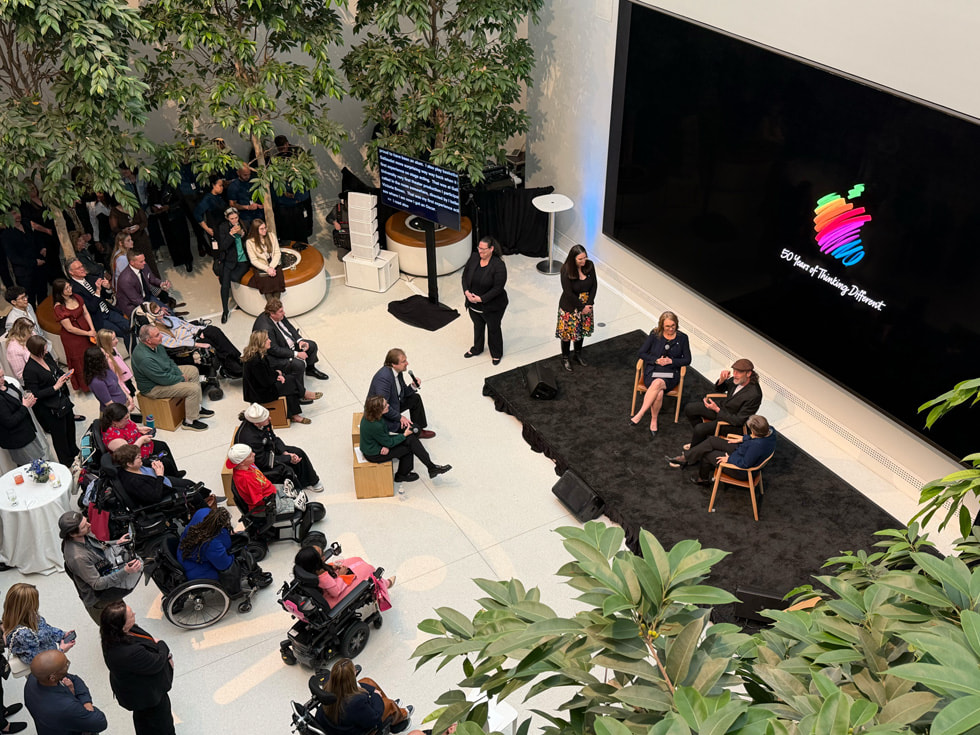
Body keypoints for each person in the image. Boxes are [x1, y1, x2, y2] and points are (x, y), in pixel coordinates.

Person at [99, 601, 175, 735]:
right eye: (130, 615)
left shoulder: (112, 635)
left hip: (135, 690)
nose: (134, 614)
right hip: (146, 695)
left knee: (144, 719)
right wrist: (162, 645)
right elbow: (156, 662)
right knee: (161, 722)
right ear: (122, 626)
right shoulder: (128, 652)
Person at [59, 510, 142, 623]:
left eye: (86, 521)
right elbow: (97, 584)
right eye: (84, 526)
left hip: (109, 589)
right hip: (100, 601)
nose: (89, 525)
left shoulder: (80, 537)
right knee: (115, 631)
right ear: (72, 534)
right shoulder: (77, 557)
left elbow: (97, 546)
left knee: (125, 621)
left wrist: (117, 542)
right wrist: (126, 571)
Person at [132, 325, 214, 432]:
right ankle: (189, 422)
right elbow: (161, 379)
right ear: (148, 340)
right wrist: (180, 379)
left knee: (193, 371)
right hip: (153, 387)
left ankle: (196, 409)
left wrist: (179, 374)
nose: (161, 336)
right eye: (157, 335)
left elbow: (169, 361)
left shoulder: (157, 345)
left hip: (164, 373)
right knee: (193, 389)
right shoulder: (144, 358)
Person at [177, 507, 272, 596]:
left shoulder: (203, 512)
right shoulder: (211, 544)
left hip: (185, 552)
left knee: (239, 546)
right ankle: (254, 576)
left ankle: (256, 573)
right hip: (198, 570)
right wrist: (233, 555)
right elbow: (225, 565)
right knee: (241, 558)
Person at [135, 301, 243, 377]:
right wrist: (197, 344)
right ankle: (233, 368)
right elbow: (174, 343)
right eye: (158, 312)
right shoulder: (157, 332)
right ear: (150, 316)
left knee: (214, 331)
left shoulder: (168, 319)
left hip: (194, 334)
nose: (162, 312)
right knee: (209, 343)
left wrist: (198, 330)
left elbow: (185, 324)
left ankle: (237, 358)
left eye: (160, 309)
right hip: (188, 344)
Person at [234, 402, 324, 492]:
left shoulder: (264, 422)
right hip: (258, 463)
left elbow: (273, 438)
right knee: (286, 469)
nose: (270, 418)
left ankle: (310, 481)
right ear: (256, 423)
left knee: (298, 452)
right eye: (266, 418)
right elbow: (263, 461)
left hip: (268, 450)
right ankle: (297, 491)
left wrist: (284, 452)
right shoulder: (249, 438)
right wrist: (287, 458)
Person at [359, 396, 450, 483]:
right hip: (375, 453)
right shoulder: (375, 425)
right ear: (379, 410)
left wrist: (386, 443)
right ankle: (402, 475)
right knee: (409, 447)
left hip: (379, 444)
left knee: (410, 439)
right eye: (385, 405)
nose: (388, 405)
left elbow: (381, 436)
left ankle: (431, 467)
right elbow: (389, 442)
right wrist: (404, 434)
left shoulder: (371, 416)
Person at [629, 311, 691, 437]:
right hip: (653, 369)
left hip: (671, 372)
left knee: (658, 383)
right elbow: (641, 353)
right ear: (662, 325)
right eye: (667, 326)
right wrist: (656, 360)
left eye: (673, 325)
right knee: (659, 392)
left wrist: (671, 361)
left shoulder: (683, 338)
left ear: (676, 324)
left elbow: (687, 360)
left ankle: (640, 414)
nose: (670, 329)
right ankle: (653, 420)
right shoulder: (655, 334)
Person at [669, 414, 778, 486]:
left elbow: (745, 463)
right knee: (712, 440)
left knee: (707, 455)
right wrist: (744, 438)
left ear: (754, 431)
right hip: (742, 450)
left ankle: (703, 479)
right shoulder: (770, 431)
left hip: (741, 470)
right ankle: (686, 458)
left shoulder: (757, 446)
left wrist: (729, 459)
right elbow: (756, 437)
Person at [314, 658, 412, 735]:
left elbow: (356, 686)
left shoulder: (327, 685)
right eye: (354, 672)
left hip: (336, 721)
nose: (356, 671)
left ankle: (390, 706)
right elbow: (373, 719)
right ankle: (400, 716)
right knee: (389, 704)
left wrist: (373, 690)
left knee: (367, 681)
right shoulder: (355, 702)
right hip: (354, 730)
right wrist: (376, 695)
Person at [681, 358, 764, 447]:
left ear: (748, 374)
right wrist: (721, 380)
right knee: (690, 408)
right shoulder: (737, 379)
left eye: (739, 372)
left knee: (699, 429)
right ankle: (701, 440)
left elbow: (738, 421)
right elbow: (719, 389)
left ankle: (692, 454)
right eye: (734, 371)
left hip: (732, 423)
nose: (735, 374)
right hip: (722, 410)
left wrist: (717, 410)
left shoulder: (754, 395)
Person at [22, 336, 78, 466]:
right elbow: (35, 394)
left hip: (62, 400)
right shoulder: (29, 370)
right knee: (60, 437)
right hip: (50, 408)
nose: (46, 352)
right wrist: (55, 387)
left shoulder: (46, 357)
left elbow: (56, 370)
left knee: (70, 428)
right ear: (36, 351)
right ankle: (67, 462)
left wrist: (64, 375)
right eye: (44, 350)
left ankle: (75, 452)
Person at [242, 331, 319, 424]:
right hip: (259, 393)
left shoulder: (258, 354)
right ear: (261, 342)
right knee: (289, 382)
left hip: (260, 387)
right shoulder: (256, 361)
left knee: (289, 382)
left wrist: (276, 374)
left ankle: (295, 415)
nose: (270, 341)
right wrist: (277, 377)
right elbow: (265, 381)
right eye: (267, 339)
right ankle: (303, 394)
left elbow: (265, 373)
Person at [24, 650, 107, 735]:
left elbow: (74, 679)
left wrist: (82, 698)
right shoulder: (66, 707)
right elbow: (100, 722)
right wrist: (87, 705)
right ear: (52, 677)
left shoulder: (34, 678)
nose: (68, 665)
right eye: (66, 665)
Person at [253, 297, 328, 386]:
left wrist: (300, 341)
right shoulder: (266, 328)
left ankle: (310, 370)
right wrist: (296, 354)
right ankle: (298, 389)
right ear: (272, 314)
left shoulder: (278, 315)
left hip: (287, 344)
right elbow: (274, 350)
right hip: (275, 356)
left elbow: (290, 327)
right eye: (281, 312)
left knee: (312, 345)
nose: (284, 313)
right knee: (299, 364)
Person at [111, 444, 211, 510]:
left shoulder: (132, 467)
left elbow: (145, 463)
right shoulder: (134, 482)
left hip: (162, 482)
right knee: (194, 494)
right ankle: (209, 515)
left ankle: (207, 497)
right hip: (162, 491)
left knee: (188, 482)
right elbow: (156, 496)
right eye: (138, 457)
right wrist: (159, 475)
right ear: (129, 463)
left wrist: (155, 463)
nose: (140, 457)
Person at [293, 546, 393, 608]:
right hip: (336, 593)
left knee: (356, 560)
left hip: (330, 582)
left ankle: (382, 582)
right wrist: (341, 575)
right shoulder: (323, 578)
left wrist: (331, 567)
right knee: (368, 570)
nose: (324, 553)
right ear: (317, 562)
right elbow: (335, 592)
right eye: (322, 554)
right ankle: (385, 584)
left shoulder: (309, 570)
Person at [100, 402, 181, 479]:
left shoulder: (121, 424)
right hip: (135, 457)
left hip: (143, 445)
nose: (128, 420)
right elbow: (129, 453)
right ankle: (171, 479)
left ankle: (175, 473)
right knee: (165, 462)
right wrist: (141, 440)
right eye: (126, 418)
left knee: (163, 445)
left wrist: (139, 429)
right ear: (115, 421)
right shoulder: (114, 439)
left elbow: (130, 427)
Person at [461, 235, 508, 365]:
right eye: (479, 248)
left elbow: (498, 288)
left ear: (491, 249)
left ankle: (496, 353)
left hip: (492, 306)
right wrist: (466, 292)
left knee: (493, 329)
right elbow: (465, 276)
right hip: (473, 304)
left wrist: (481, 299)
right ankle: (477, 348)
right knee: (478, 326)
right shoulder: (474, 257)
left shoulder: (498, 265)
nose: (480, 251)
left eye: (483, 249)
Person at [1, 583, 75, 666]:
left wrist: (62, 634)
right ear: (28, 606)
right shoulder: (22, 635)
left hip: (50, 654)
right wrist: (61, 650)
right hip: (46, 669)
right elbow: (38, 662)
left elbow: (46, 629)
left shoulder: (29, 616)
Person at [65, 258, 130, 350]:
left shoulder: (91, 278)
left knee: (129, 327)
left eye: (82, 266)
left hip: (108, 311)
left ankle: (133, 352)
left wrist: (107, 288)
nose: (82, 269)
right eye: (78, 268)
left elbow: (106, 295)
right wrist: (98, 291)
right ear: (71, 272)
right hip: (98, 317)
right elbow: (91, 307)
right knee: (121, 332)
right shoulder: (73, 289)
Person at [368, 348, 432, 437]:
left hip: (393, 404)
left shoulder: (398, 371)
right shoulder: (383, 379)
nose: (407, 363)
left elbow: (403, 392)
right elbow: (382, 407)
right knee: (413, 429)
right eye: (403, 361)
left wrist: (413, 386)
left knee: (415, 398)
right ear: (394, 364)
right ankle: (416, 431)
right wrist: (400, 417)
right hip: (383, 415)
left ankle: (420, 430)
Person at [555, 244, 597, 372]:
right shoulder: (566, 270)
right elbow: (568, 292)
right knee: (567, 333)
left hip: (586, 305)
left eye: (585, 258)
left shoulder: (589, 266)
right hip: (570, 306)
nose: (584, 261)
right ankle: (565, 357)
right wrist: (581, 307)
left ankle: (577, 354)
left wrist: (589, 304)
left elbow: (594, 285)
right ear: (573, 259)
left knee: (581, 331)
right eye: (580, 259)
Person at [227, 444, 300, 516]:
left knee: (296, 492)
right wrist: (282, 501)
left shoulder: (248, 465)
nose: (254, 454)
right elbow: (259, 501)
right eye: (250, 455)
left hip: (269, 489)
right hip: (267, 505)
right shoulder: (247, 480)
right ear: (242, 462)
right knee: (299, 504)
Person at [51, 279, 95, 392]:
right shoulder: (59, 308)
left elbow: (85, 312)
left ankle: (96, 379)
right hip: (73, 338)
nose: (70, 289)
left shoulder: (76, 297)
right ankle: (86, 386)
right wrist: (88, 333)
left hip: (86, 330)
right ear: (60, 291)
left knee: (92, 355)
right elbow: (69, 328)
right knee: (80, 361)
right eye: (66, 288)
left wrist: (92, 328)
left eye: (69, 286)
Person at [0, 364, 48, 463]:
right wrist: (24, 406)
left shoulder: (6, 384)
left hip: (26, 430)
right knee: (32, 467)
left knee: (39, 460)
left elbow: (18, 399)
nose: (2, 379)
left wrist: (28, 401)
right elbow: (9, 421)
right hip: (18, 440)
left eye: (2, 375)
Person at [1, 210, 45, 308]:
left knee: (43, 293)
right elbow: (14, 258)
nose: (18, 215)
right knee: (30, 300)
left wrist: (42, 247)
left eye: (18, 212)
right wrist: (34, 262)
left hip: (39, 267)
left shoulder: (26, 223)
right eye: (14, 214)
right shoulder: (6, 235)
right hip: (25, 273)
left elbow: (37, 238)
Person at [215, 207, 251, 323]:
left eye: (236, 217)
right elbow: (223, 246)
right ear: (227, 218)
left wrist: (242, 233)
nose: (234, 220)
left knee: (235, 278)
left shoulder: (244, 224)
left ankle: (240, 301)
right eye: (232, 218)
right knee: (225, 285)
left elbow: (250, 239)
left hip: (243, 259)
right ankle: (225, 311)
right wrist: (231, 235)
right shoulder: (223, 227)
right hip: (230, 259)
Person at [117, 251, 173, 319]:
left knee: (169, 313)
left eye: (144, 260)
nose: (144, 263)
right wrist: (157, 309)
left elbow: (152, 278)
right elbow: (136, 300)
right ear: (132, 263)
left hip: (147, 297)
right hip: (134, 306)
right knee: (160, 319)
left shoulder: (144, 266)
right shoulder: (125, 279)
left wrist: (161, 283)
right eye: (141, 261)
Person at [85, 347, 136, 414]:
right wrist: (126, 411)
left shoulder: (106, 368)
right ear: (98, 359)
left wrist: (128, 397)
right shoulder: (96, 382)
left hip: (123, 407)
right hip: (115, 413)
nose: (108, 355)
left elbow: (118, 384)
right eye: (104, 354)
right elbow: (109, 404)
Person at [245, 219, 285, 300]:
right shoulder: (249, 242)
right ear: (256, 230)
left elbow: (277, 253)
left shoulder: (271, 236)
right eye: (262, 229)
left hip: (274, 264)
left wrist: (271, 267)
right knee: (266, 285)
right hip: (261, 266)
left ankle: (274, 309)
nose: (265, 230)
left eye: (265, 228)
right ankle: (274, 309)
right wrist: (267, 269)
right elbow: (254, 260)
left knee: (277, 282)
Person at [97, 329, 137, 399]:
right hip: (122, 385)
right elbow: (117, 379)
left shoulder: (114, 348)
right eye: (113, 339)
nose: (117, 340)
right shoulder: (108, 360)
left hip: (125, 378)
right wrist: (126, 393)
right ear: (106, 342)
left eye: (115, 337)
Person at [3, 317, 36, 382]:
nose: (32, 334)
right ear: (22, 333)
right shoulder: (13, 349)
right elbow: (20, 375)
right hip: (32, 379)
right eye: (29, 332)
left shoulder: (31, 334)